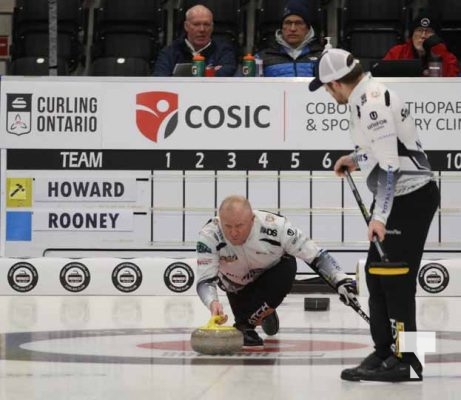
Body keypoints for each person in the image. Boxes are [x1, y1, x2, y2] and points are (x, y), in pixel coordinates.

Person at [309, 48, 440, 382]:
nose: (327, 93)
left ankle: (407, 361)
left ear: (337, 83)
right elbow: (383, 148)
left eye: (327, 87)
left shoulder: (371, 103)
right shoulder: (364, 98)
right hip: (402, 198)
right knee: (376, 274)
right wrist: (354, 157)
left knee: (396, 279)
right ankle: (385, 351)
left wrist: (379, 217)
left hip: (408, 199)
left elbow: (391, 166)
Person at [196, 195, 360, 347]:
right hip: (235, 285)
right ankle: (261, 313)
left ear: (252, 219)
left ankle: (255, 316)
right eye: (228, 226)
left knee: (287, 264)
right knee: (246, 333)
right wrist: (213, 302)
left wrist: (341, 280)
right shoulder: (209, 235)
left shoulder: (276, 226)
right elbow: (205, 280)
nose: (233, 233)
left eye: (239, 226)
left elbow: (315, 255)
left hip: (272, 274)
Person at [153, 4, 237, 77]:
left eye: (206, 24)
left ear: (212, 27)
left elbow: (227, 76)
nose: (202, 29)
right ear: (186, 26)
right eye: (196, 24)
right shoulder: (169, 53)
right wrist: (211, 71)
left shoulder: (224, 52)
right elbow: (160, 79)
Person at [255, 1, 324, 77]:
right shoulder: (262, 58)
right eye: (288, 23)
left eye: (298, 23)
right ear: (282, 28)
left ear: (307, 28)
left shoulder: (322, 56)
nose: (292, 29)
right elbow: (247, 86)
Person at [383, 9, 459, 77]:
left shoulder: (444, 54)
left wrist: (438, 54)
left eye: (428, 31)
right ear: (412, 34)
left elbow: (452, 80)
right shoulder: (397, 52)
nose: (423, 36)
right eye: (419, 30)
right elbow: (381, 75)